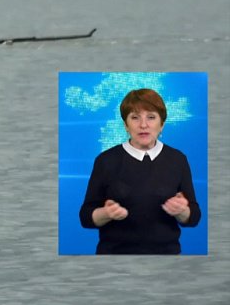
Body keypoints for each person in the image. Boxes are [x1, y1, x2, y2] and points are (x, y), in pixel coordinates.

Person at [79, 88, 201, 254]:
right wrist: (106, 213)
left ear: (162, 125)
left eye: (151, 117)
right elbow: (86, 217)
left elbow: (194, 217)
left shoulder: (178, 159)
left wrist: (182, 211)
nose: (143, 125)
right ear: (126, 125)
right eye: (135, 117)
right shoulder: (105, 160)